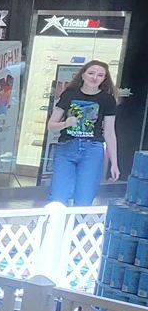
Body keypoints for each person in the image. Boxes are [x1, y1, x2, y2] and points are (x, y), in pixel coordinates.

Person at [46, 60, 120, 206]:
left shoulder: (107, 100)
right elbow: (51, 125)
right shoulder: (69, 95)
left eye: (100, 75)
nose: (94, 77)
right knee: (58, 197)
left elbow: (110, 132)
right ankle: (57, 227)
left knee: (85, 198)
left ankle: (78, 228)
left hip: (93, 149)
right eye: (91, 73)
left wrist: (114, 163)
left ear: (104, 79)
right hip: (66, 146)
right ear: (83, 75)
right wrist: (65, 124)